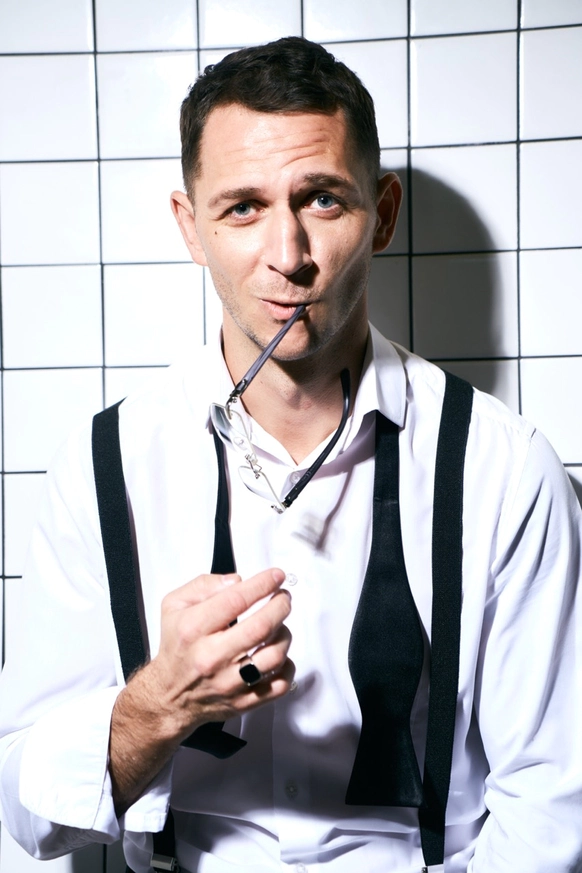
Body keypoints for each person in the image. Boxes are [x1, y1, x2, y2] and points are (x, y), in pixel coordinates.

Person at [0, 36, 581, 873]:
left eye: (322, 200)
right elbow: (27, 812)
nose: (288, 255)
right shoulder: (103, 470)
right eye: (243, 207)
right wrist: (157, 706)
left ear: (383, 213)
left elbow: (551, 806)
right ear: (190, 226)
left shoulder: (507, 469)